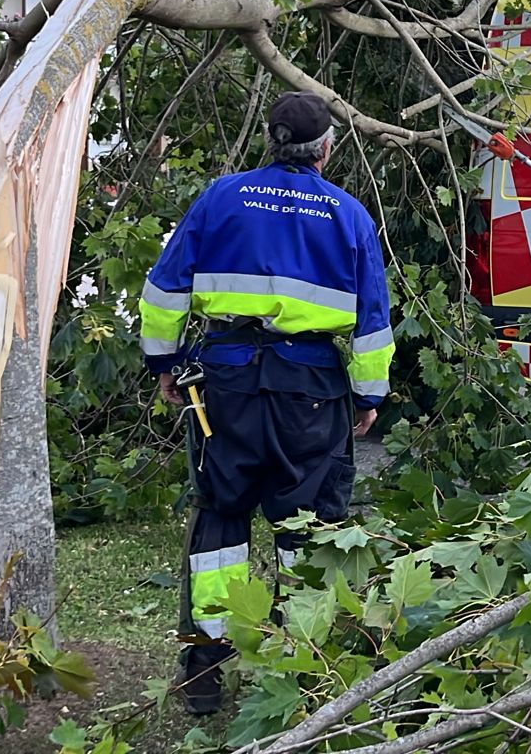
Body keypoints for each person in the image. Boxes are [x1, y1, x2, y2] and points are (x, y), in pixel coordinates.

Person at [138, 92, 393, 715]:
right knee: (307, 524)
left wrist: (165, 365)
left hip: (223, 385)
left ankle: (204, 668)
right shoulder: (349, 215)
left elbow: (165, 290)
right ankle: (305, 666)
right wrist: (368, 394)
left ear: (271, 142)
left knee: (221, 518)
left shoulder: (222, 196)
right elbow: (372, 321)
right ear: (326, 151)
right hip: (310, 391)